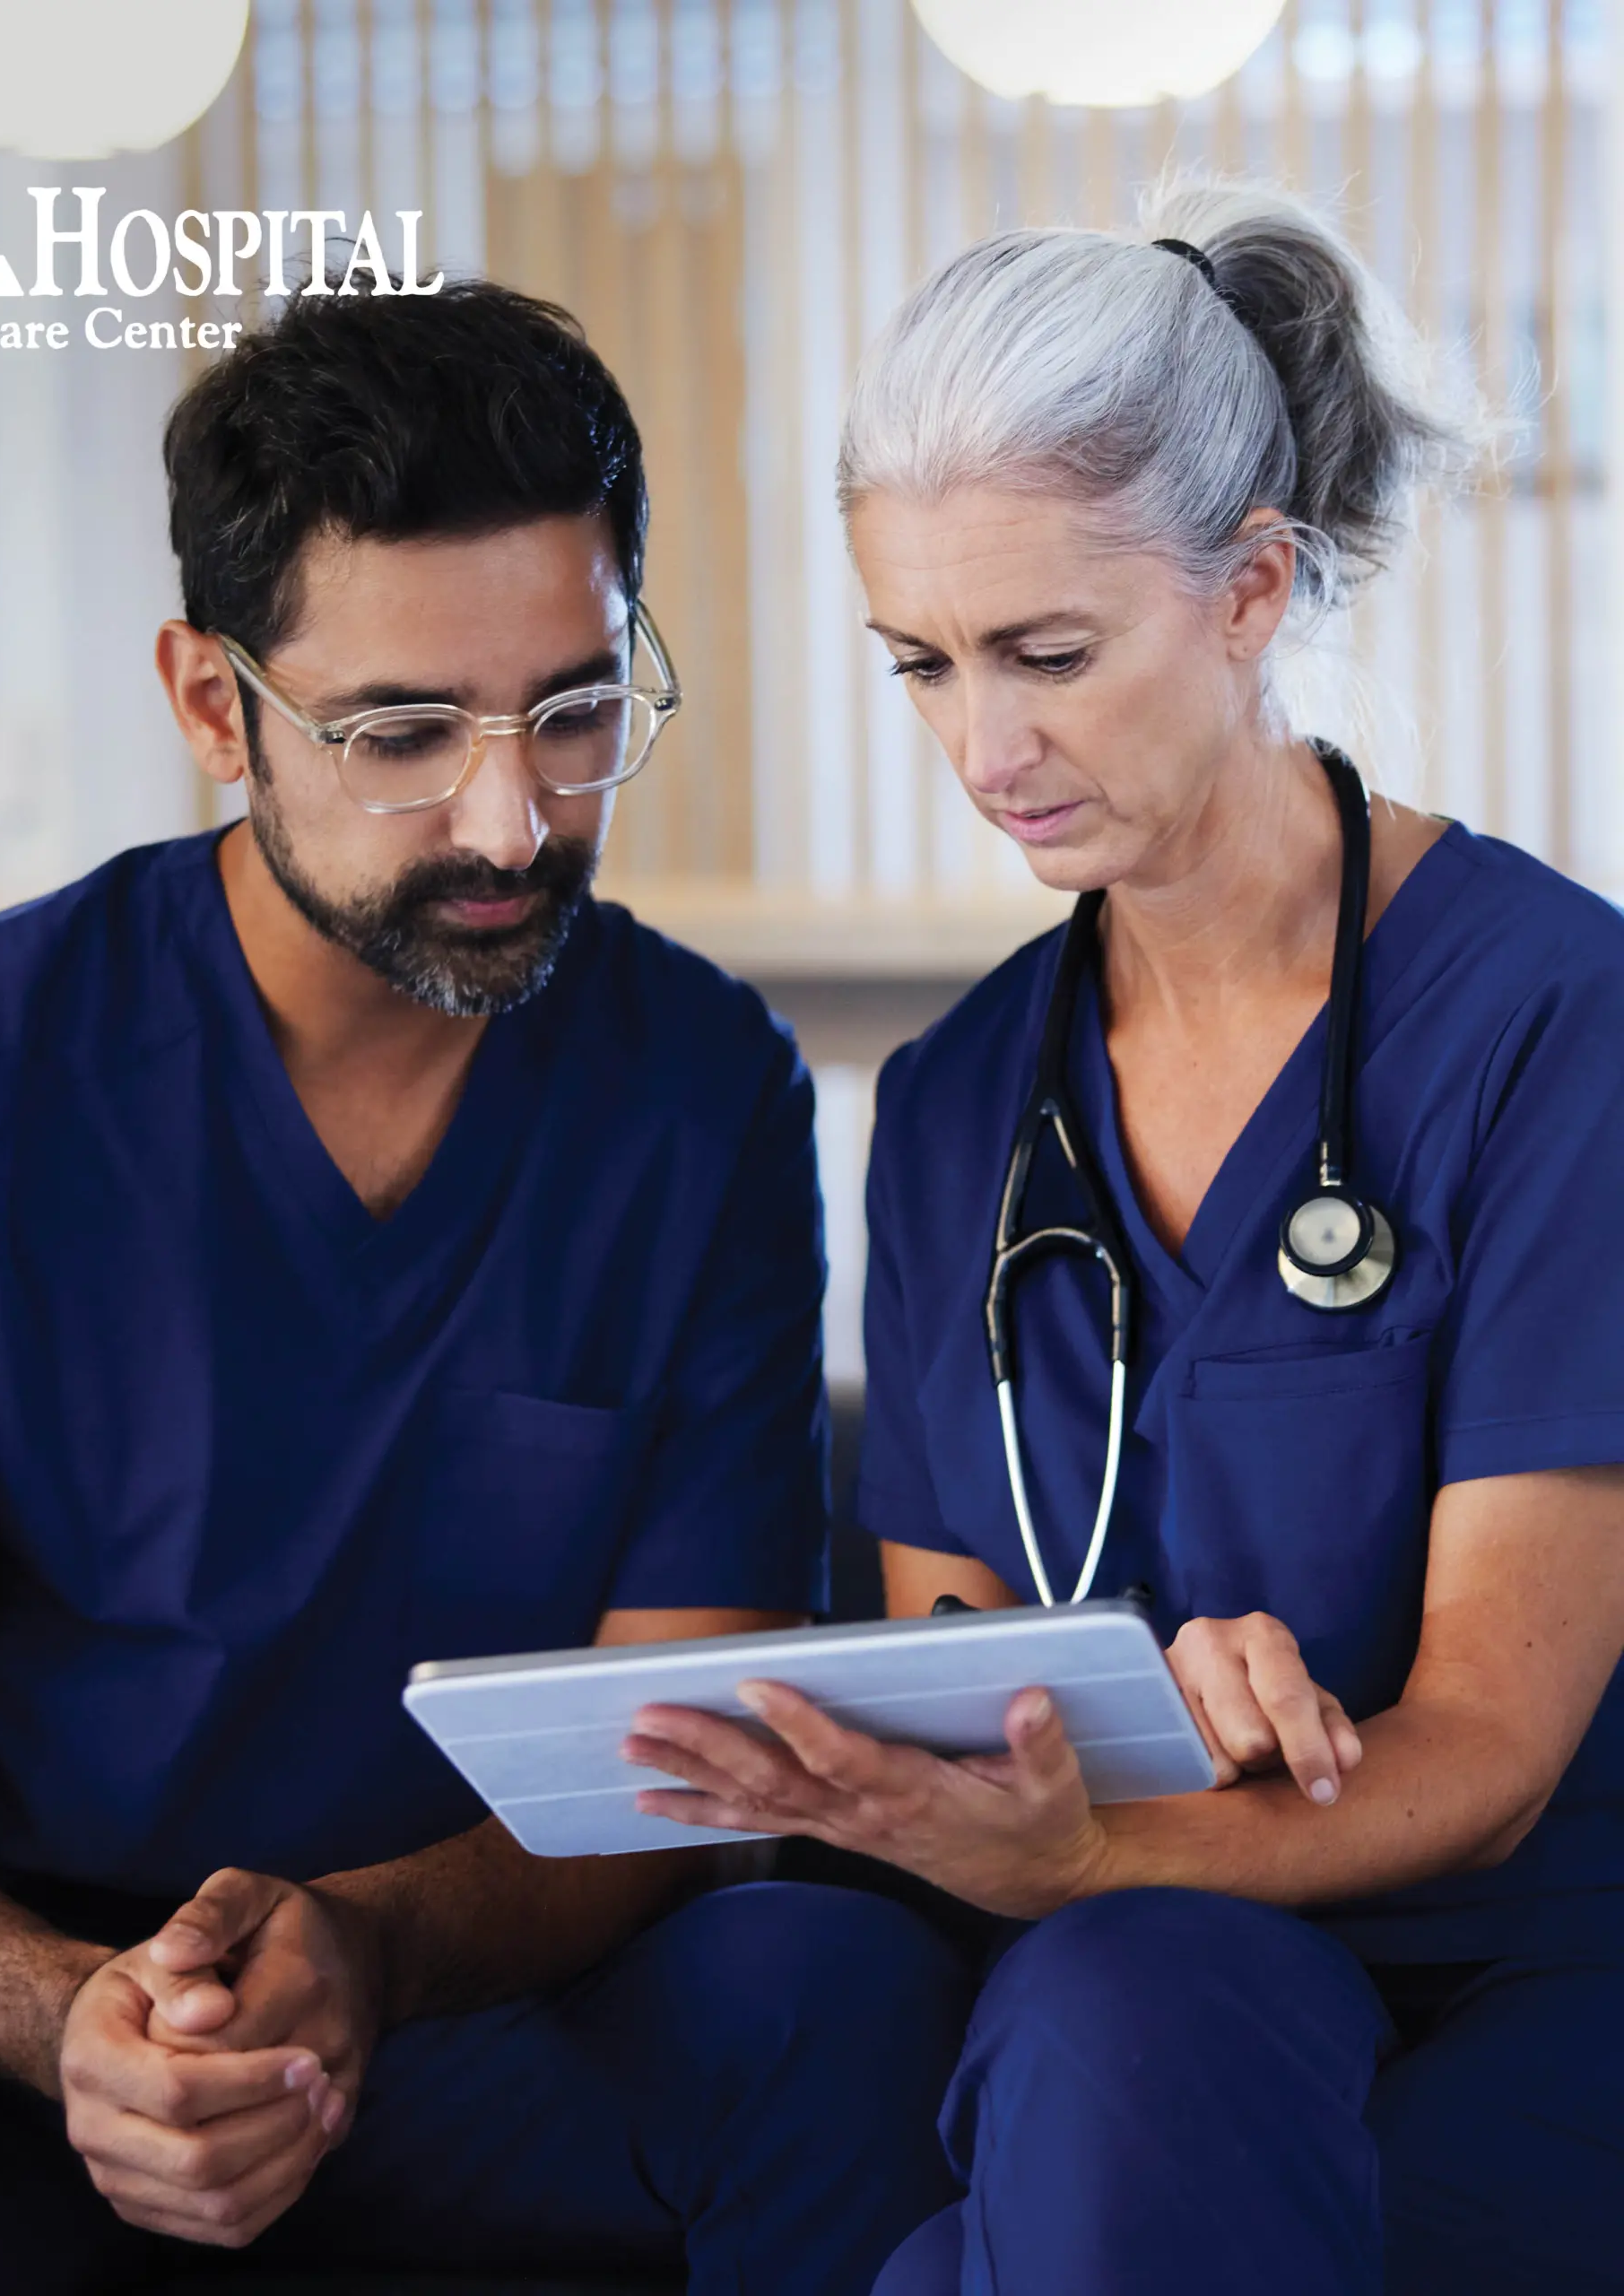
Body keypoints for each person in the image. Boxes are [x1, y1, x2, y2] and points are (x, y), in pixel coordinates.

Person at [0, 279, 968, 2294]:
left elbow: (678, 1769)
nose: (508, 817)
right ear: (214, 705)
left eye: (572, 710)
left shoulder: (695, 1092)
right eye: (399, 732)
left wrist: (369, 1950)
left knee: (826, 1996)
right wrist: (78, 2020)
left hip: (445, 1994)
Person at [623, 181, 1624, 2295]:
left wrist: (1087, 1824)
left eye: (1046, 653)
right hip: (1146, 1955)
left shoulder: (1552, 1022)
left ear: (1250, 586)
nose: (981, 749)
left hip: (1527, 1963)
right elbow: (955, 1660)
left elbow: (1488, 1749)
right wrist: (1001, 1771)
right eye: (920, 662)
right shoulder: (965, 1101)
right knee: (1110, 2011)